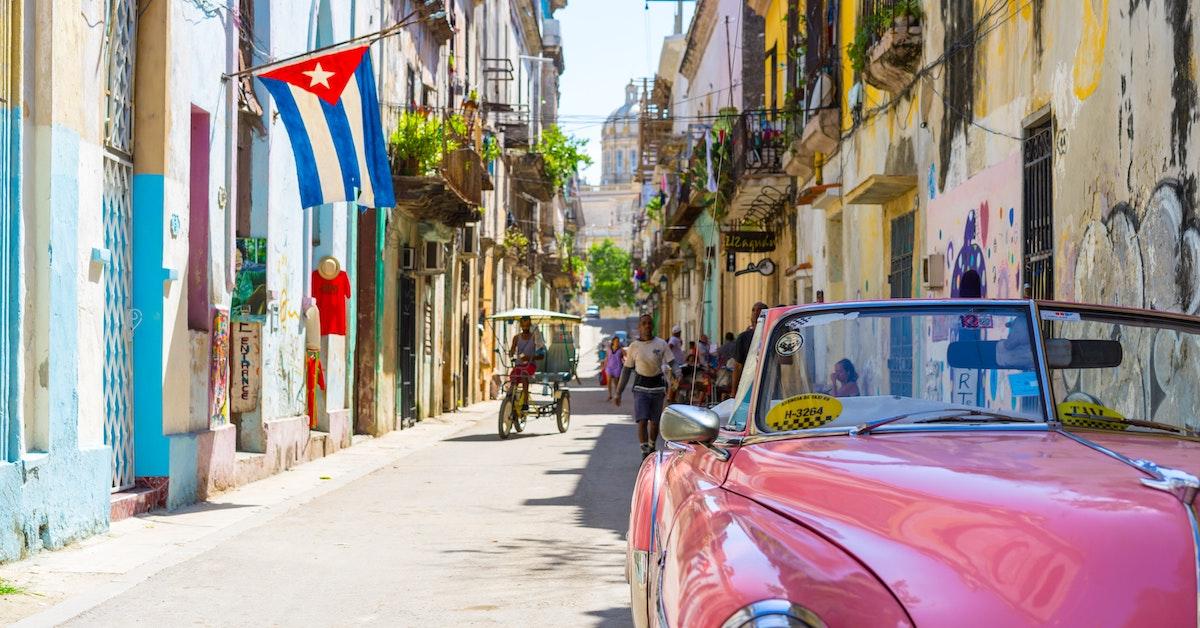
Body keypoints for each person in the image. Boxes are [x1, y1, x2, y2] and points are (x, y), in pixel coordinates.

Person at [615, 314, 680, 460]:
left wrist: (678, 373)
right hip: (640, 388)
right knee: (642, 420)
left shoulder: (661, 344)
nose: (647, 326)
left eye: (649, 323)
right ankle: (644, 452)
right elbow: (626, 370)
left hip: (657, 387)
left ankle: (652, 446)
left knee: (655, 422)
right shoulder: (634, 347)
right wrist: (618, 392)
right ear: (639, 327)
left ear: (652, 326)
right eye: (644, 323)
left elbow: (672, 362)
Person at [507, 316, 545, 409]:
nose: (525, 328)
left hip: (530, 365)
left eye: (527, 325)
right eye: (523, 325)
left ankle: (525, 402)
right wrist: (511, 353)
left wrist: (529, 358)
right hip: (519, 365)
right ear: (520, 325)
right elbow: (512, 350)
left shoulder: (535, 337)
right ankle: (510, 398)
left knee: (524, 375)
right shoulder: (516, 338)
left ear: (530, 325)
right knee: (514, 377)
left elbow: (541, 356)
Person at [732, 302, 768, 394]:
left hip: (767, 383)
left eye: (759, 310)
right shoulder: (743, 338)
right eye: (753, 310)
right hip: (748, 384)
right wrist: (734, 392)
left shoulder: (771, 335)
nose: (756, 312)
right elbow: (737, 366)